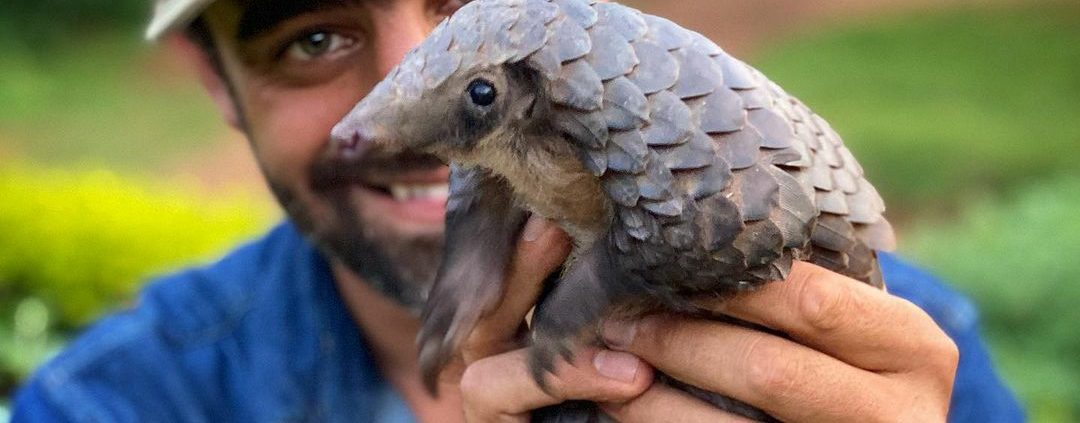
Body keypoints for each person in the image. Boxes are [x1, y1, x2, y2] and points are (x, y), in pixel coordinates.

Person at [13, 0, 1024, 421]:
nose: (402, 97)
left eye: (468, 1)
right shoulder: (112, 404)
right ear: (213, 77)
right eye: (311, 38)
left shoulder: (898, 360)